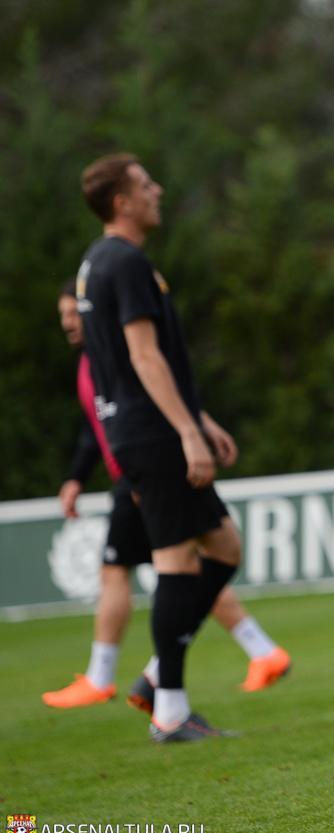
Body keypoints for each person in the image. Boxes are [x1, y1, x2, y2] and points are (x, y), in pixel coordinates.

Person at [42, 283, 291, 711]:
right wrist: (76, 477)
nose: (68, 323)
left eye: (74, 313)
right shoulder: (94, 361)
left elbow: (158, 389)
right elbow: (96, 425)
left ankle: (126, 681)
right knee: (190, 566)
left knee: (159, 569)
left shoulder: (118, 353)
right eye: (63, 315)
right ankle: (254, 653)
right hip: (139, 470)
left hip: (145, 470)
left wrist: (196, 429)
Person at [75, 153, 251, 742]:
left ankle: (158, 675)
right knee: (177, 562)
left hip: (142, 428)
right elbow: (144, 357)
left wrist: (199, 418)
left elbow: (133, 366)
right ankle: (170, 710)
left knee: (224, 548)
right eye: (146, 185)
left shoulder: (96, 261)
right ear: (122, 202)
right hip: (152, 434)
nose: (159, 191)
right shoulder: (125, 262)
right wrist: (187, 432)